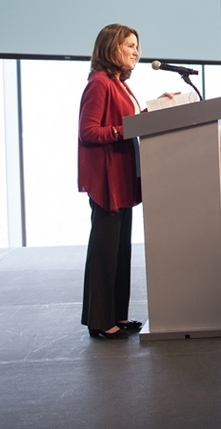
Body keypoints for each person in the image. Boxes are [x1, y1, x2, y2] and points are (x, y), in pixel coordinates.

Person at [78, 24, 167, 339]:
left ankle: (116, 314)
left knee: (119, 249)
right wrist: (123, 129)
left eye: (137, 46)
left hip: (123, 177)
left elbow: (128, 121)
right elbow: (89, 131)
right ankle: (99, 321)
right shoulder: (99, 84)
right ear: (111, 47)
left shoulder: (118, 84)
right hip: (106, 180)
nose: (136, 52)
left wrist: (156, 107)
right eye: (130, 45)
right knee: (105, 250)